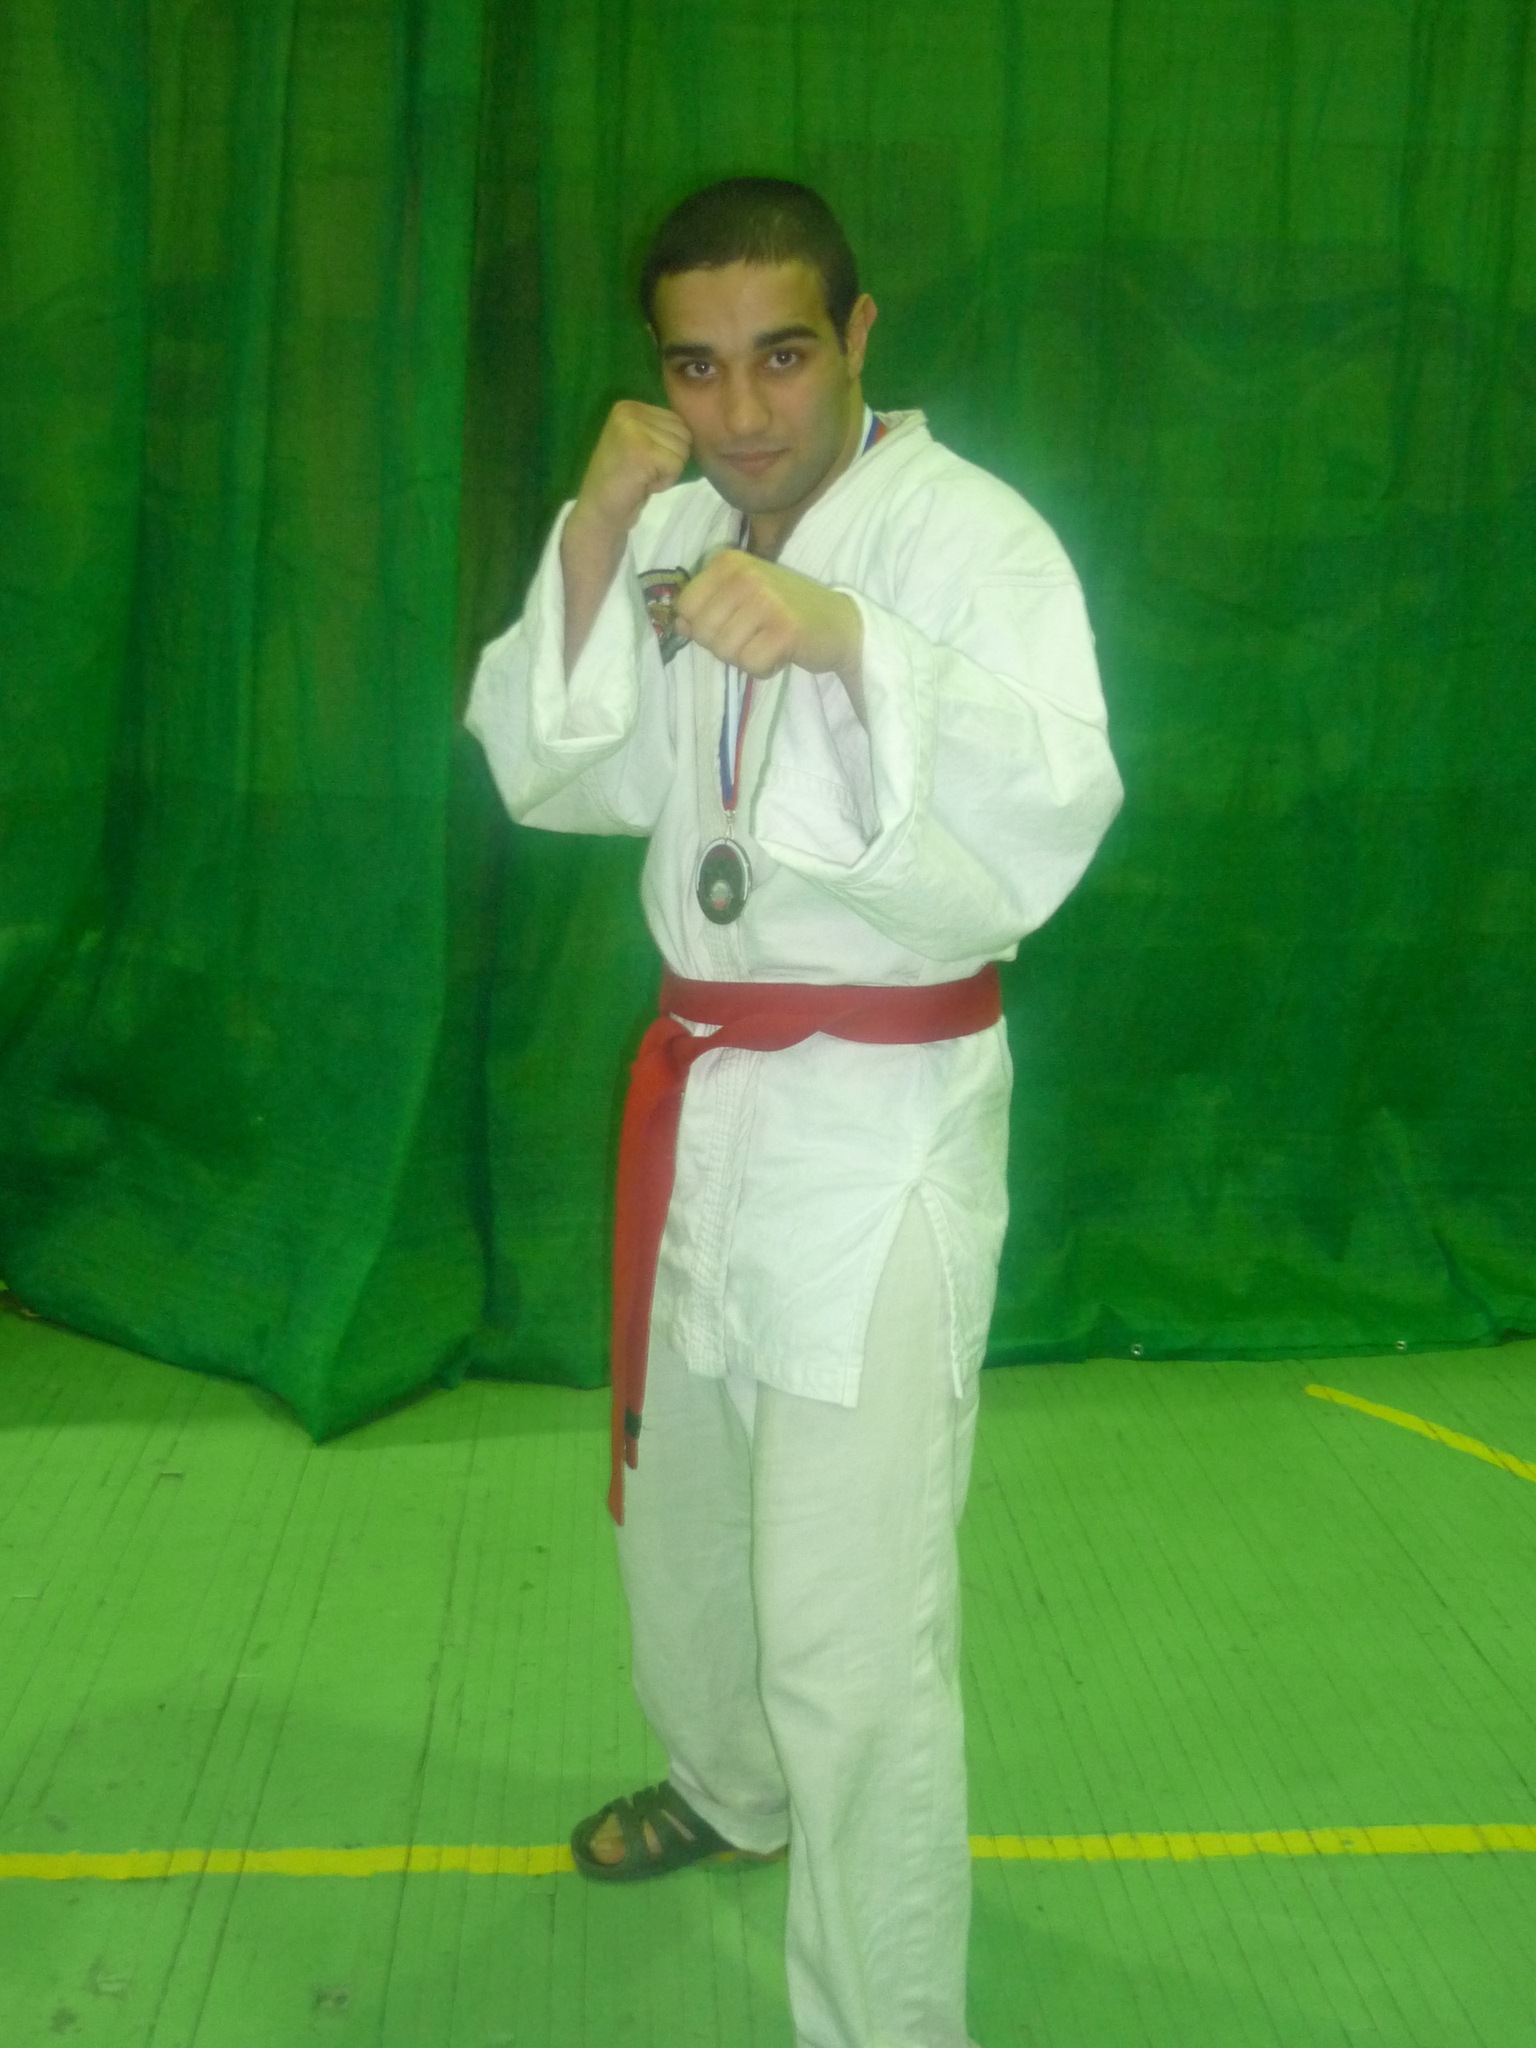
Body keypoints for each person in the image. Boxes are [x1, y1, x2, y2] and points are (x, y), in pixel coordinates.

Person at [466, 176, 1122, 2048]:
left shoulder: (973, 541)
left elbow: (1054, 809)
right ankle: (728, 1789)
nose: (743, 411)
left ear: (858, 339)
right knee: (681, 1534)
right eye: (698, 368)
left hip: (877, 1133)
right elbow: (559, 774)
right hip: (706, 1103)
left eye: (781, 357)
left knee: (852, 1639)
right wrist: (599, 530)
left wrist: (849, 641)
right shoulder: (676, 521)